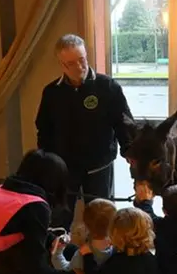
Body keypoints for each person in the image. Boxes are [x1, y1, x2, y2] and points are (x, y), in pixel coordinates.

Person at [36, 34, 134, 230]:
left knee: (101, 219)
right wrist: (46, 162)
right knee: (59, 217)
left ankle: (101, 257)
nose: (79, 67)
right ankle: (58, 255)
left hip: (99, 166)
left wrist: (130, 153)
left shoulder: (107, 87)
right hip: (64, 169)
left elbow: (124, 125)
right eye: (71, 63)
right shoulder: (52, 93)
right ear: (62, 64)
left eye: (82, 60)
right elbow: (43, 129)